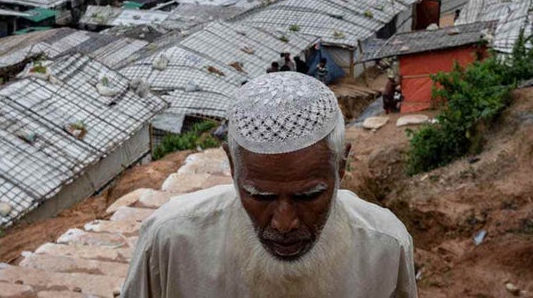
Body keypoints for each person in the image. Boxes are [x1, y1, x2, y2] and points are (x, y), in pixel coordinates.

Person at [122, 71, 417, 297]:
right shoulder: (171, 241)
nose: (284, 223)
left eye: (307, 196)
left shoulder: (385, 247)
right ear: (233, 167)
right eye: (261, 196)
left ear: (341, 166)